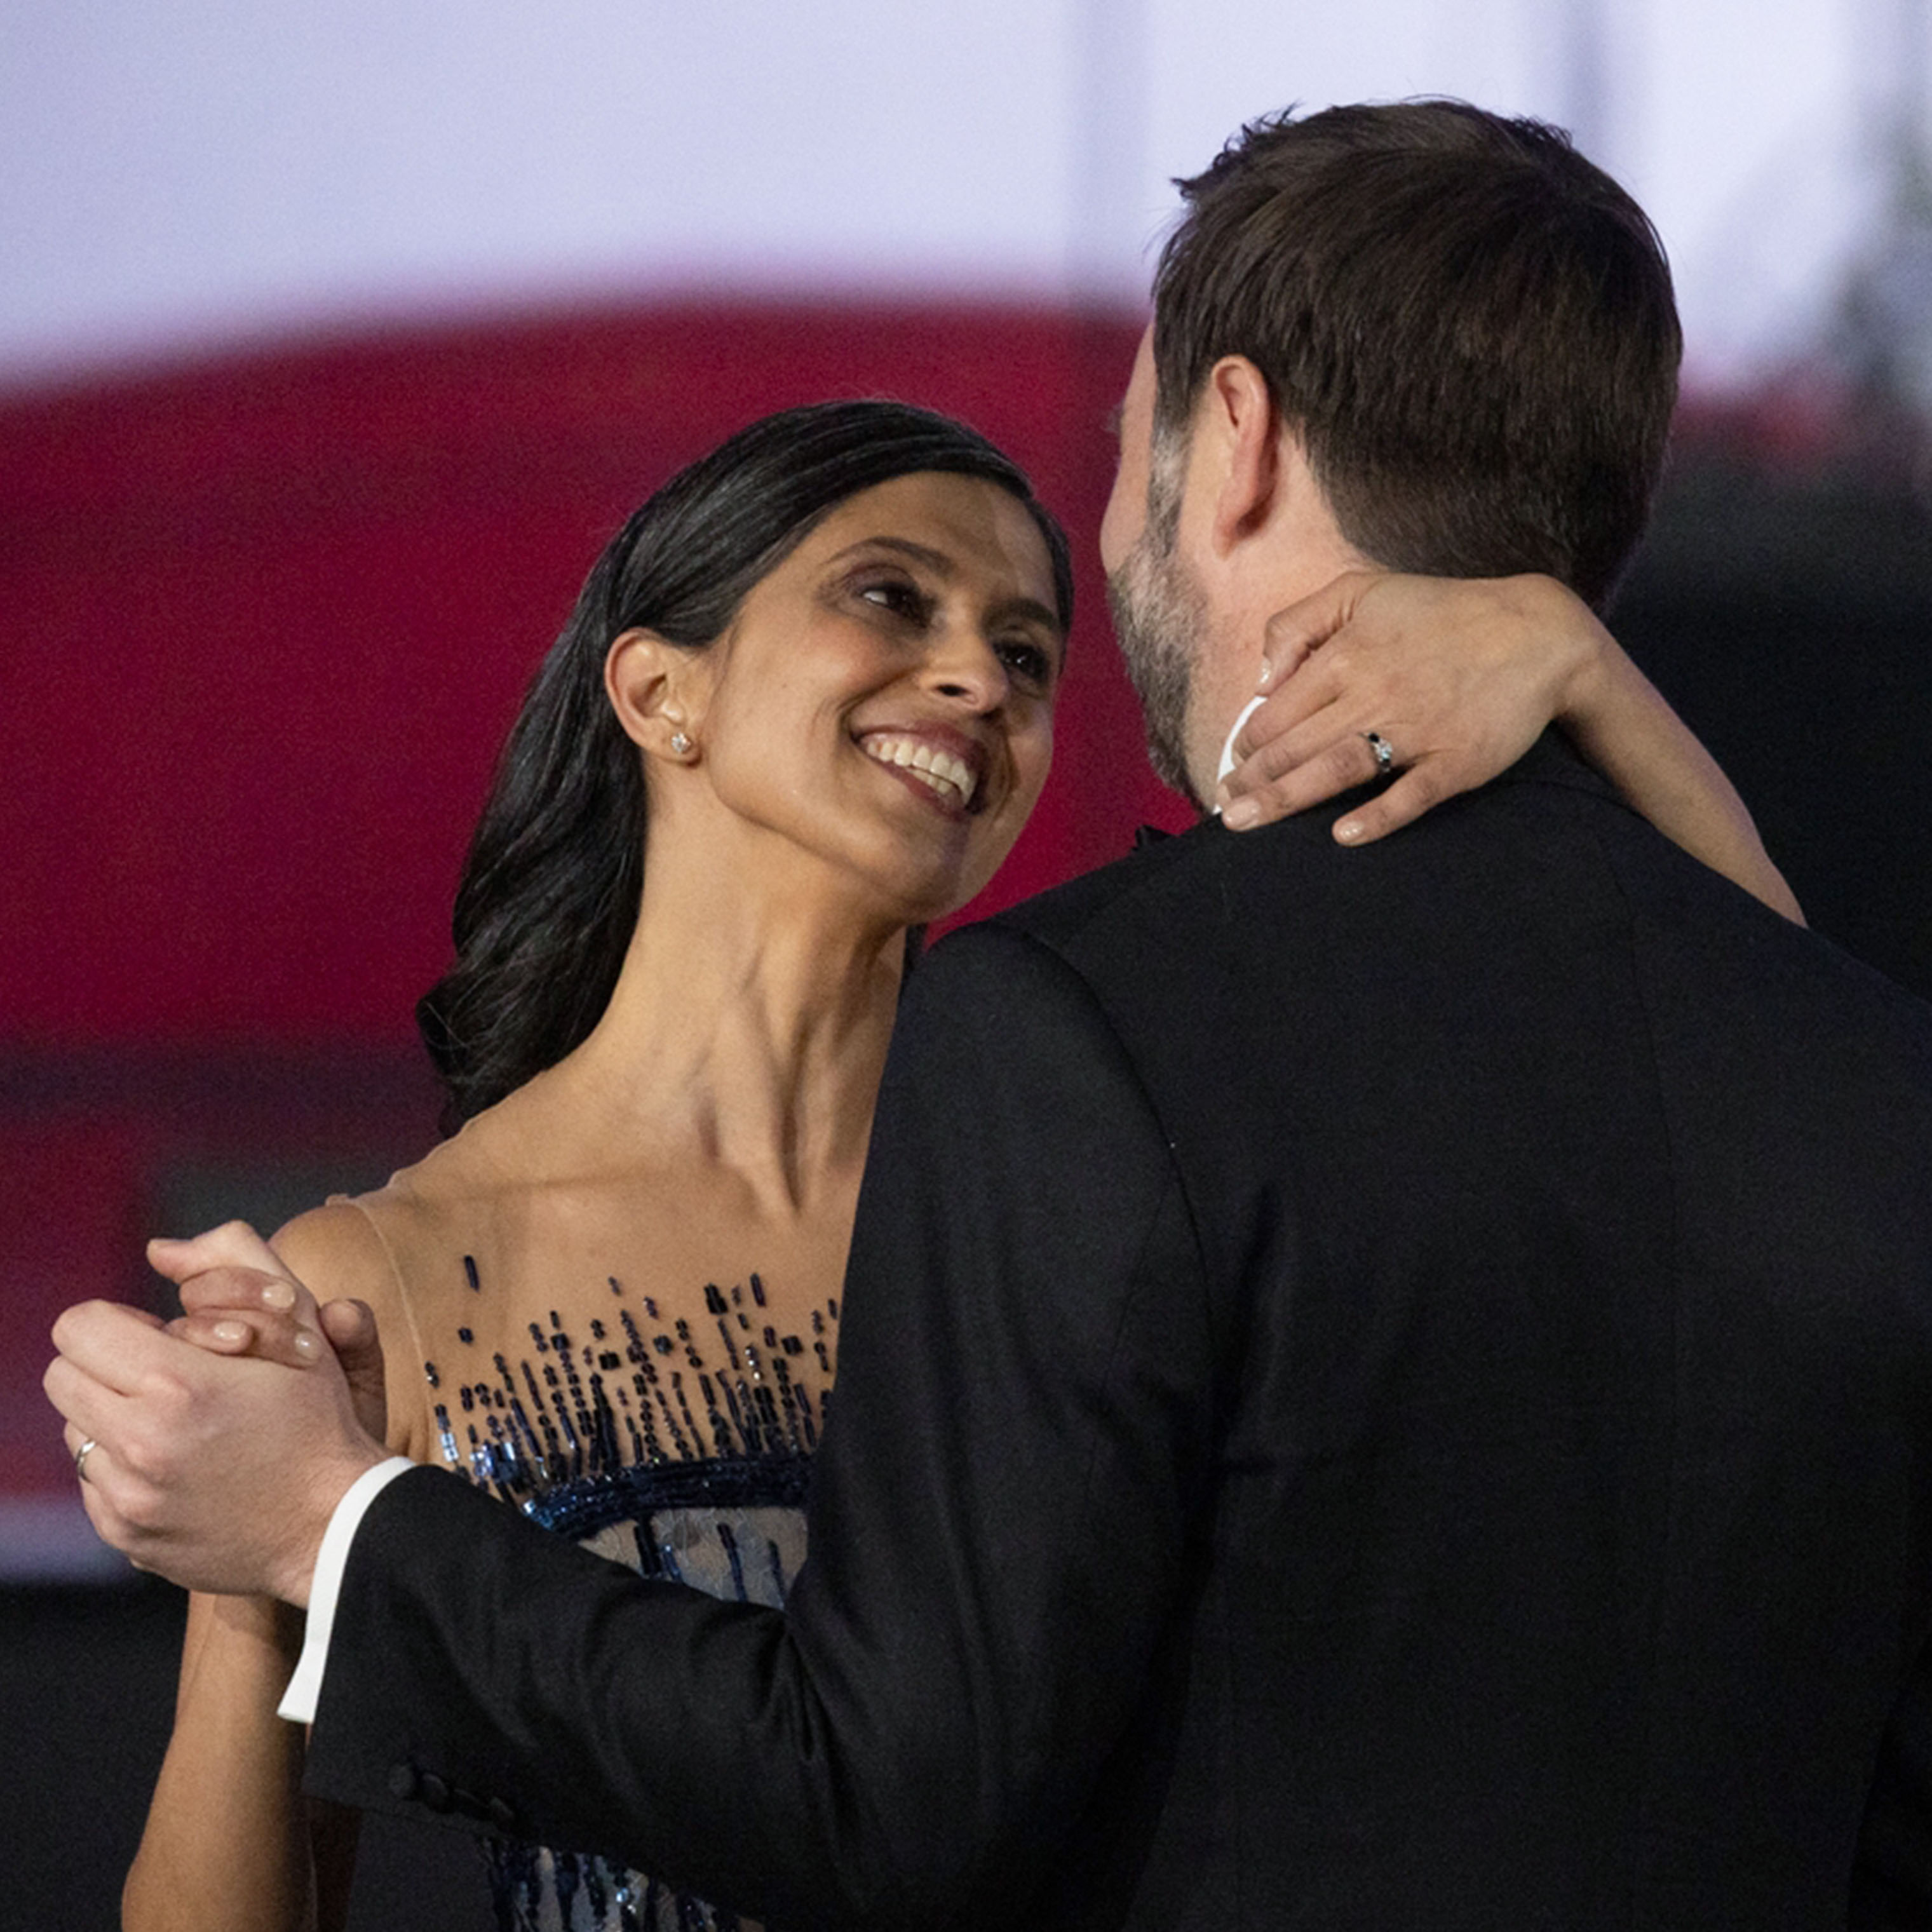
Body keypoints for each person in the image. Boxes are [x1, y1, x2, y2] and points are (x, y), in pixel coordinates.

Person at [52, 98, 1922, 1928]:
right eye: (889, 594)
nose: (981, 674)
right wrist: (269, 1561)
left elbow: (887, 1800)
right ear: (656, 685)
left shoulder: (1091, 1075)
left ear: (1237, 436)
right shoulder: (1840, 1080)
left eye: (1032, 644)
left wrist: (332, 1523)